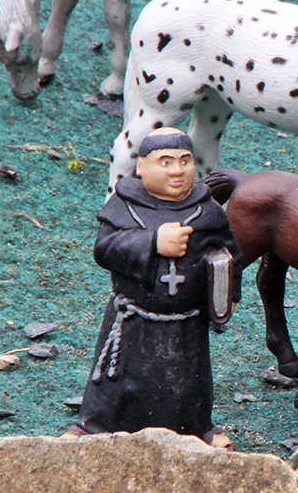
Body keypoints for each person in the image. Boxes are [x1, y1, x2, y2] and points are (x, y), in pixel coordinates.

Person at [65, 128, 241, 448]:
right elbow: (104, 248)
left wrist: (225, 294)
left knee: (190, 382)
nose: (177, 171)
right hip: (134, 319)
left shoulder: (208, 211)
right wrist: (153, 241)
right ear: (142, 166)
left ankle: (198, 428)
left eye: (185, 161)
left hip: (188, 323)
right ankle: (93, 426)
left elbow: (230, 254)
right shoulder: (124, 205)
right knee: (115, 381)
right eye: (166, 162)